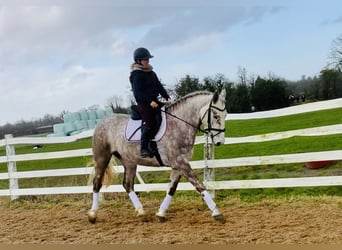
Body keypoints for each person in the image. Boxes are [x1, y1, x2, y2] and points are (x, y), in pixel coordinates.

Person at [129, 47, 172, 158]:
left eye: (148, 59)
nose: (148, 61)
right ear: (138, 61)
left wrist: (167, 97)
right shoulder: (136, 74)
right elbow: (137, 92)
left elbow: (159, 86)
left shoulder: (151, 73)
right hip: (144, 103)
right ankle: (143, 148)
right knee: (150, 122)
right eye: (145, 59)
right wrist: (149, 102)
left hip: (155, 101)